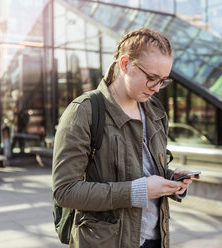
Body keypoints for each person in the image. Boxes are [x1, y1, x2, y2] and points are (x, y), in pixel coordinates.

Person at [52, 27, 199, 248]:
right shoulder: (85, 111)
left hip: (156, 238)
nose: (157, 88)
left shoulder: (156, 112)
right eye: (151, 78)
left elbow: (142, 171)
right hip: (105, 242)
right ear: (124, 64)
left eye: (163, 80)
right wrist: (137, 191)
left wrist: (171, 180)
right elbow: (65, 191)